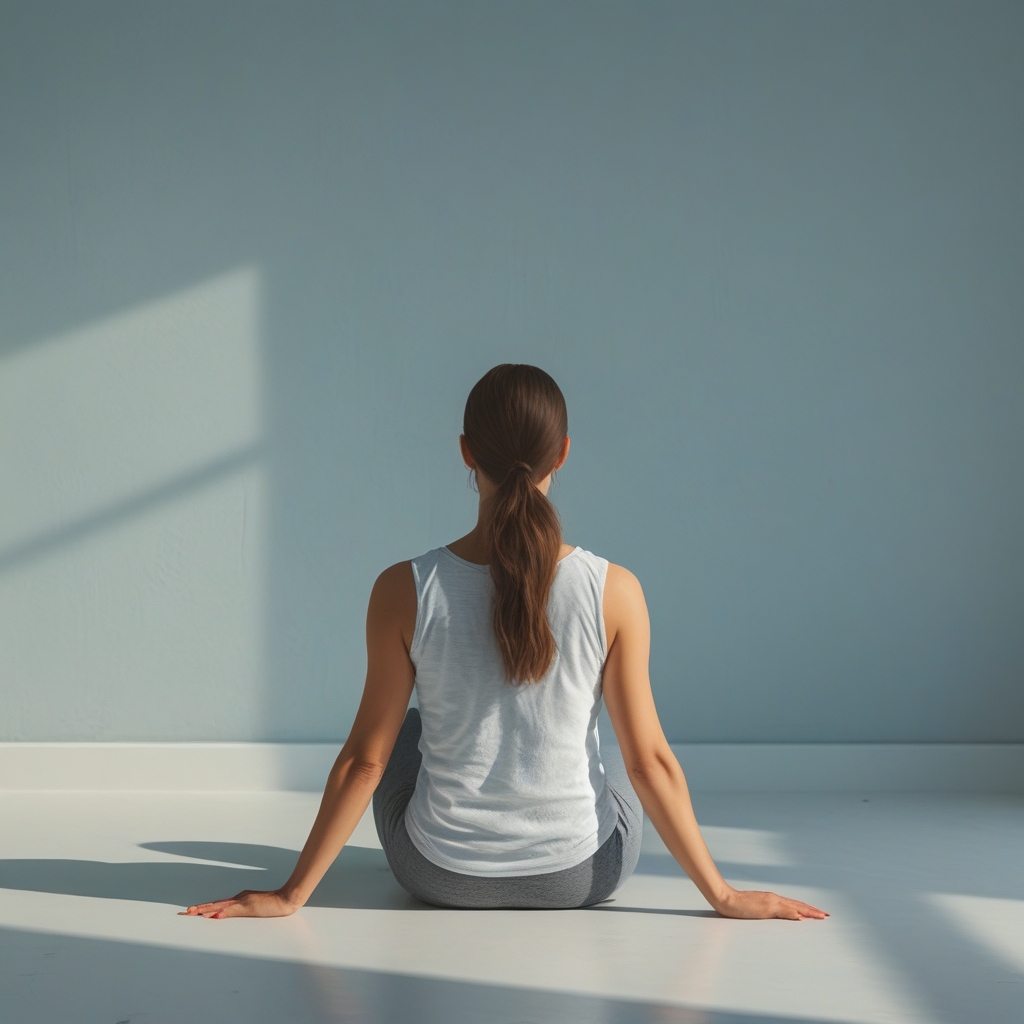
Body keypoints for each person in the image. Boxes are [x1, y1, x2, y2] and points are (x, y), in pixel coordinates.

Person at [183, 364, 827, 921]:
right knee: (614, 754)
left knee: (405, 730)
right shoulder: (615, 590)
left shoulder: (404, 588)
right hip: (585, 874)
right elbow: (648, 763)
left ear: (466, 452)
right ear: (564, 453)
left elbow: (365, 763)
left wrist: (292, 895)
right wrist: (723, 894)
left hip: (440, 877)